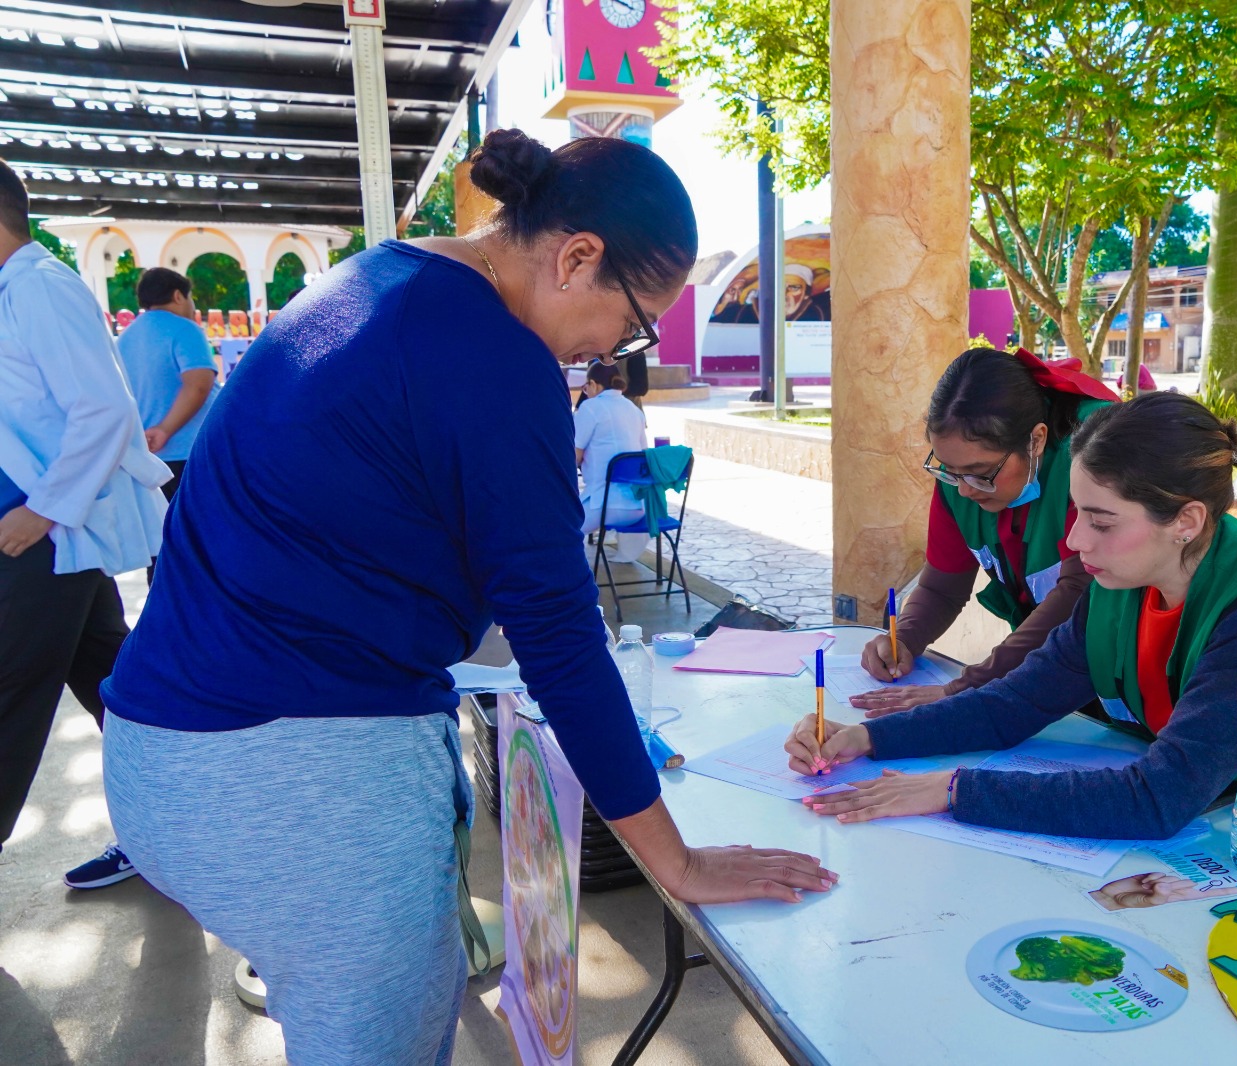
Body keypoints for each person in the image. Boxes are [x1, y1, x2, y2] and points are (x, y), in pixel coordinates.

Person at [100, 129, 834, 1065]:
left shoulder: (377, 278)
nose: (618, 349)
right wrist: (677, 862)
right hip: (291, 781)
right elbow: (560, 640)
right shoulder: (497, 355)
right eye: (636, 320)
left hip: (169, 749)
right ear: (577, 258)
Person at [786, 392, 1237, 859]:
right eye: (1076, 512)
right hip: (1235, 834)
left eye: (1101, 521)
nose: (1074, 540)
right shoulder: (1123, 584)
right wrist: (864, 739)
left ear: (1185, 521)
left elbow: (1158, 798)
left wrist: (955, 789)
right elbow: (1012, 706)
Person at [0, 158, 169, 889]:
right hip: (52, 536)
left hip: (47, 535)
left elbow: (102, 409)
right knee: (117, 688)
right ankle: (170, 831)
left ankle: (173, 831)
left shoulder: (41, 289)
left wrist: (40, 514)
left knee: (10, 691)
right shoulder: (15, 292)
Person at [851, 347, 1117, 716]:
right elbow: (941, 587)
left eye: (981, 473)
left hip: (1123, 666)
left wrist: (969, 685)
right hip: (1050, 667)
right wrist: (904, 639)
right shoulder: (961, 474)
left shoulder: (1092, 455)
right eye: (949, 470)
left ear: (1036, 440)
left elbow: (1080, 594)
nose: (964, 489)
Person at [117, 268, 219, 549]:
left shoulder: (125, 338)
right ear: (178, 295)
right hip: (189, 454)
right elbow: (198, 383)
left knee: (162, 545)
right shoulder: (184, 328)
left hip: (146, 460)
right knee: (201, 541)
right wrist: (165, 429)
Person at [575, 360, 649, 564]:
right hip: (637, 509)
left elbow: (573, 457)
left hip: (603, 507)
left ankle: (571, 583)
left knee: (558, 527)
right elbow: (643, 456)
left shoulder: (590, 408)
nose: (585, 391)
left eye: (586, 387)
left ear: (594, 384)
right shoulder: (634, 410)